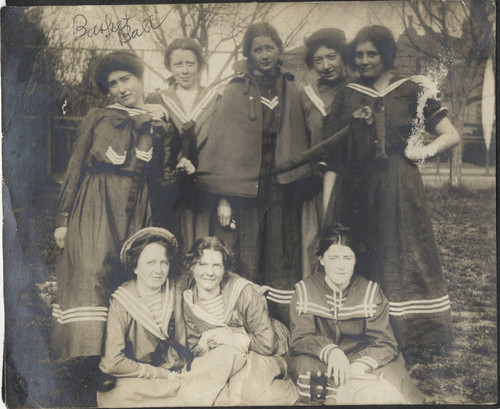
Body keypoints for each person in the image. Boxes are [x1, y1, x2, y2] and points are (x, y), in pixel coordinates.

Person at [321, 25, 458, 354]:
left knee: (403, 256)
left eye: (372, 54)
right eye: (359, 55)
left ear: (386, 55)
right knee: (361, 255)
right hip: (355, 191)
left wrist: (420, 152)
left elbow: (450, 134)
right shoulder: (348, 94)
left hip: (399, 187)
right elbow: (334, 159)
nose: (365, 60)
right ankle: (364, 334)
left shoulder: (410, 90)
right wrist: (328, 210)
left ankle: (413, 337)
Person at [51, 51, 175, 363]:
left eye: (125, 79)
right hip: (95, 202)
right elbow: (76, 164)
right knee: (91, 271)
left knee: (127, 274)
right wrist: (63, 218)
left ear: (139, 79)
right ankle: (88, 358)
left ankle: (122, 353)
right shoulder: (98, 116)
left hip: (137, 205)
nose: (119, 88)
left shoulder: (159, 123)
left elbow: (162, 175)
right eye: (113, 84)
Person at [195, 22, 313, 326]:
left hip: (281, 185)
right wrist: (224, 197)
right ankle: (242, 321)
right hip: (244, 187)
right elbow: (222, 146)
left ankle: (281, 324)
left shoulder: (292, 88)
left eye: (269, 48)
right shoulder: (235, 90)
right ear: (248, 53)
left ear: (279, 50)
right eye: (258, 49)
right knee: (245, 251)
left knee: (281, 252)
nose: (265, 54)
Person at [97, 228, 246, 407]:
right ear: (135, 266)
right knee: (118, 395)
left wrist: (248, 290)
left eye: (164, 263)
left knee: (228, 354)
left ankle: (185, 394)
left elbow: (214, 274)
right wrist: (161, 374)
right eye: (150, 263)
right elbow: (113, 362)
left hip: (187, 369)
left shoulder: (176, 285)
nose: (158, 270)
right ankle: (194, 395)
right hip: (146, 377)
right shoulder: (121, 301)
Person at [289, 225, 425, 405]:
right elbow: (300, 338)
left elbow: (385, 343)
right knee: (307, 371)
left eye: (347, 257)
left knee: (392, 378)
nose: (340, 266)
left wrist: (361, 363)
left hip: (360, 360)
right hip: (320, 359)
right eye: (333, 257)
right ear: (321, 259)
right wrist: (331, 351)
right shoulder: (305, 290)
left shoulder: (370, 291)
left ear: (355, 260)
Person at [182, 236, 298, 406]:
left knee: (244, 393)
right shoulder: (188, 301)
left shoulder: (243, 291)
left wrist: (232, 338)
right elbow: (194, 347)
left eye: (217, 265)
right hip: (225, 358)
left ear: (225, 269)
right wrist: (221, 338)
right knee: (200, 390)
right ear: (192, 266)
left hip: (264, 352)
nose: (210, 272)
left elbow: (267, 344)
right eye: (202, 264)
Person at [145, 38, 219, 252]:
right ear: (169, 66)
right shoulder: (157, 99)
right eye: (178, 64)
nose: (185, 70)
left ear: (200, 66)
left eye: (190, 63)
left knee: (205, 238)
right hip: (172, 184)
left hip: (205, 180)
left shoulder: (215, 98)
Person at [300, 28, 351, 278]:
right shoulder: (306, 96)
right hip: (314, 183)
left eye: (332, 57)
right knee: (314, 239)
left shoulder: (357, 90)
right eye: (318, 60)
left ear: (343, 56)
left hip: (349, 179)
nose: (326, 65)